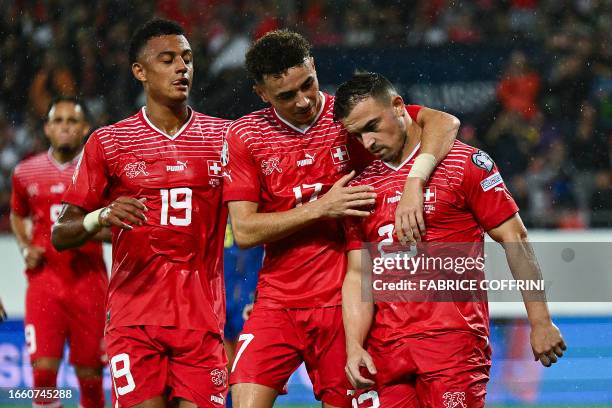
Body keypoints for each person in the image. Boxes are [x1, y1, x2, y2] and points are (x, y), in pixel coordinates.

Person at [223, 30, 460, 408]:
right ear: (261, 94)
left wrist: (416, 180)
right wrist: (322, 207)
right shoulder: (244, 136)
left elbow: (444, 122)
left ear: (314, 66)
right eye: (286, 95)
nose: (302, 101)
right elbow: (246, 230)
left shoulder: (350, 119)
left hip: (343, 306)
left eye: (308, 85)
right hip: (277, 303)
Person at [335, 72, 566, 407]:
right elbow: (359, 274)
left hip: (452, 346)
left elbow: (515, 238)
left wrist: (541, 321)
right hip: (383, 353)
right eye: (357, 135)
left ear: (400, 107)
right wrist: (354, 345)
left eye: (372, 126)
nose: (367, 142)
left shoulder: (463, 164)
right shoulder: (361, 188)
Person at [52, 19, 230, 407]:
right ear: (139, 71)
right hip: (135, 321)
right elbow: (60, 232)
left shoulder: (224, 138)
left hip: (202, 320)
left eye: (186, 58)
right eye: (167, 60)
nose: (182, 68)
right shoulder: (110, 141)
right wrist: (100, 216)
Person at [10, 97, 108, 408]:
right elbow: (16, 214)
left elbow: (115, 226)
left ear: (85, 129)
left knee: (91, 378)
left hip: (89, 284)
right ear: (47, 128)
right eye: (59, 121)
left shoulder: (99, 173)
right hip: (44, 285)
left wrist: (86, 229)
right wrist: (26, 247)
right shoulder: (26, 172)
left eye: (72, 121)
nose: (65, 127)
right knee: (42, 376)